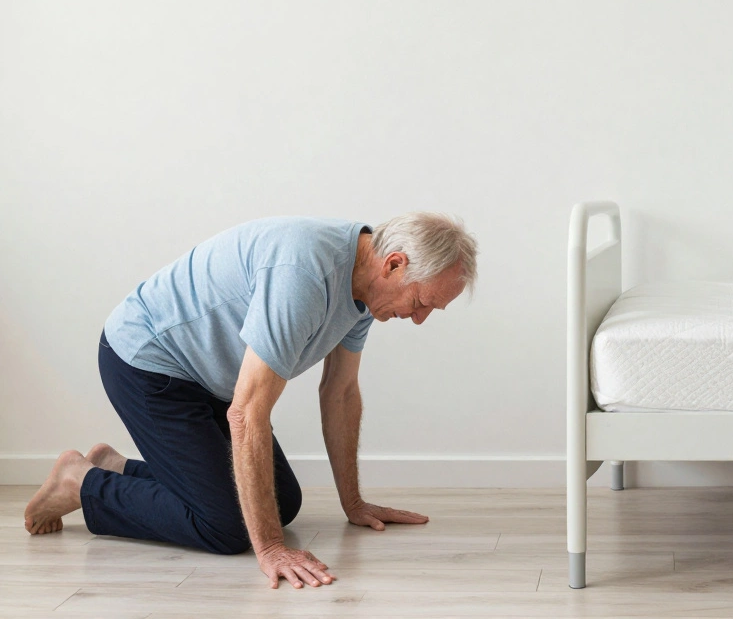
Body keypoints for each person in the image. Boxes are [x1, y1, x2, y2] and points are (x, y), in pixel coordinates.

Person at [24, 212, 477, 588]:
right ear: (394, 264)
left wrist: (353, 503)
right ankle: (81, 483)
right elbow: (247, 412)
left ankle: (115, 466)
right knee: (225, 527)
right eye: (420, 302)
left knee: (285, 502)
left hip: (209, 379)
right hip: (148, 362)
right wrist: (272, 549)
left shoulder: (363, 291)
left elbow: (340, 392)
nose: (418, 319)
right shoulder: (304, 275)